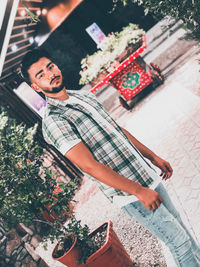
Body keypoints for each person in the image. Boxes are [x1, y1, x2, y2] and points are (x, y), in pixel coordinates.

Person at [21, 49, 200, 267]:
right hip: (130, 193)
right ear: (36, 87)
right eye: (40, 75)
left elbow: (118, 130)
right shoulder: (54, 121)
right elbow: (90, 166)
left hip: (146, 174)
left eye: (50, 66)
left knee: (182, 229)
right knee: (178, 242)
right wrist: (138, 191)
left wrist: (152, 156)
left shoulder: (83, 95)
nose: (49, 74)